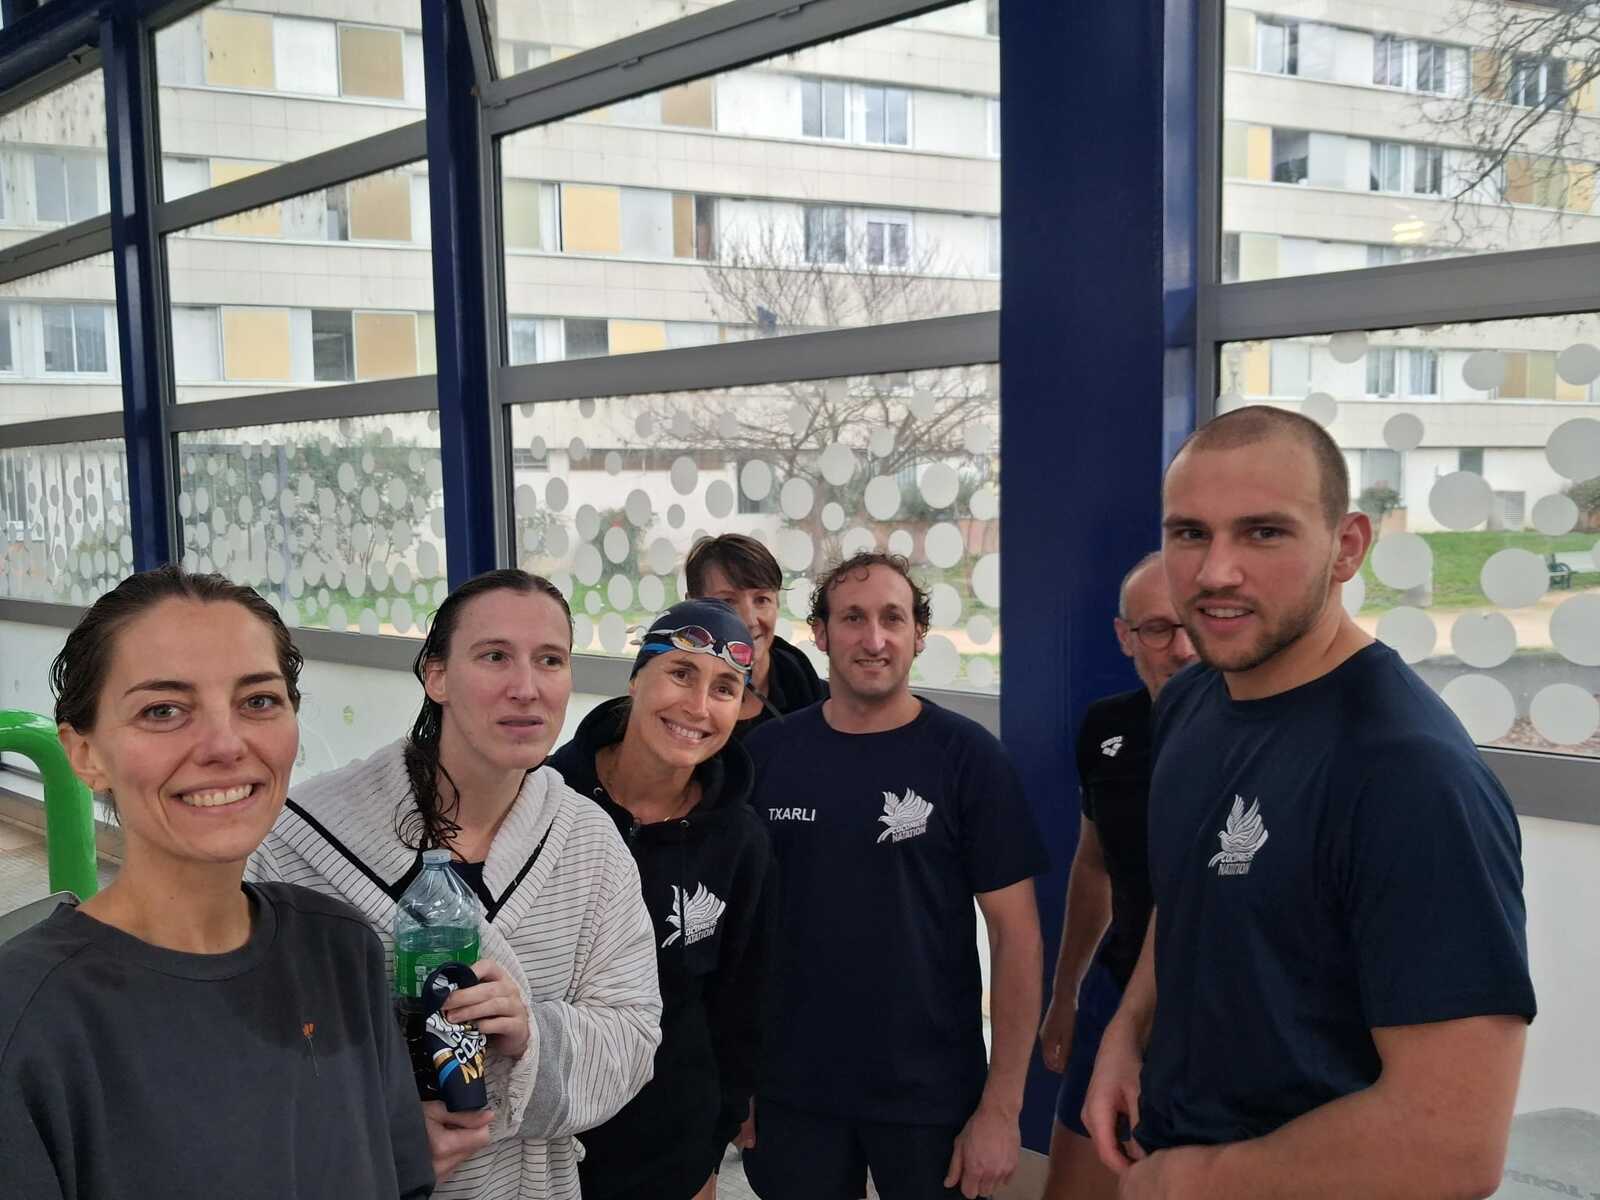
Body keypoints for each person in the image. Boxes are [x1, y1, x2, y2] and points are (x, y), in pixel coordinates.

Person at [1083, 405, 1537, 1199]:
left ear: (1347, 546)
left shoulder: (1409, 774)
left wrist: (1195, 1180)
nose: (1216, 572)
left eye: (1264, 532)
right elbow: (1185, 895)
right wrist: (1128, 1031)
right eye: (1190, 533)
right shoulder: (1191, 701)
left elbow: (1452, 1143)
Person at [0, 565, 432, 1199]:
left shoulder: (339, 949)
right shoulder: (28, 1015)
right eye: (163, 710)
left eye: (258, 701)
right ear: (85, 754)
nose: (225, 745)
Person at [249, 568, 661, 1199]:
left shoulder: (587, 841)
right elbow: (246, 1051)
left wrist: (530, 1035)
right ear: (435, 675)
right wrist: (375, 1131)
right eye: (495, 656)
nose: (526, 688)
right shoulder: (301, 837)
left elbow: (633, 1033)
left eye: (550, 660)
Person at [741, 552, 1048, 1200]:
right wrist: (733, 1077)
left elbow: (1016, 937)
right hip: (792, 1090)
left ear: (919, 634)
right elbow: (738, 933)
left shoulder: (968, 758)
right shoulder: (766, 757)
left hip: (932, 1094)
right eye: (852, 618)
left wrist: (1002, 1107)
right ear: (820, 633)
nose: (873, 638)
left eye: (893, 618)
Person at [548, 598, 776, 1200]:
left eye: (724, 688)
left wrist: (713, 1139)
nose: (698, 706)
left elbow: (741, 1002)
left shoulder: (740, 841)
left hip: (670, 1142)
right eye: (681, 673)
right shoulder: (545, 801)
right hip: (541, 1132)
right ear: (636, 679)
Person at [1037, 552, 1196, 1200]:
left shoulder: (1256, 735)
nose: (1182, 648)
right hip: (1115, 984)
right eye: (1157, 628)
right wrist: (1065, 995)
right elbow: (1094, 863)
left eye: (1193, 624)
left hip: (1214, 1014)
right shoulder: (1107, 727)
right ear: (1125, 636)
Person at [684, 533, 827, 737]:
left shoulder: (818, 697)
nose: (750, 620)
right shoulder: (670, 697)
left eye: (761, 599)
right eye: (728, 602)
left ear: (777, 603)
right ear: (692, 606)